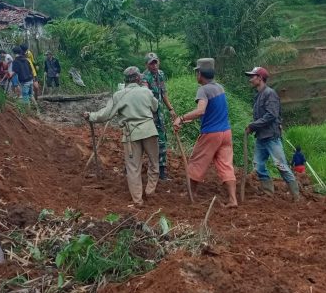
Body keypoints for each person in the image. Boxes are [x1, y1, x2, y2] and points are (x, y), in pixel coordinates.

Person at [84, 66, 159, 207]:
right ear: (139, 78)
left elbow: (105, 115)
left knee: (133, 168)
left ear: (125, 80)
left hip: (131, 134)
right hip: (149, 131)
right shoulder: (146, 92)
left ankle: (138, 200)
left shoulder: (119, 95)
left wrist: (91, 116)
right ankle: (150, 191)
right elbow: (155, 107)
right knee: (154, 163)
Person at [173, 58, 238, 208]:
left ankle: (191, 193)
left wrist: (181, 118)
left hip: (211, 134)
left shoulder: (203, 90)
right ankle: (233, 199)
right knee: (226, 165)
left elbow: (201, 110)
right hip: (226, 132)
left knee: (197, 161)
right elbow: (212, 112)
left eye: (197, 72)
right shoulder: (220, 88)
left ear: (200, 74)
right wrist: (190, 120)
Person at [244, 66, 299, 200]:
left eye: (253, 76)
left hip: (271, 137)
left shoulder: (270, 94)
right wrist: (254, 128)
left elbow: (271, 115)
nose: (250, 79)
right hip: (261, 137)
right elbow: (262, 117)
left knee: (281, 166)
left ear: (260, 78)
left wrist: (253, 125)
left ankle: (296, 196)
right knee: (258, 165)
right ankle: (268, 192)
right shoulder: (258, 95)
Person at [141, 52, 177, 180]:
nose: (154, 65)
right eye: (151, 63)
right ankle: (134, 168)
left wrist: (170, 109)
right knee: (143, 142)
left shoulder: (160, 74)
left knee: (161, 140)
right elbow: (146, 95)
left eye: (155, 62)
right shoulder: (144, 78)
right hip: (148, 115)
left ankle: (161, 171)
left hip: (159, 114)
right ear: (146, 65)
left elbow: (163, 92)